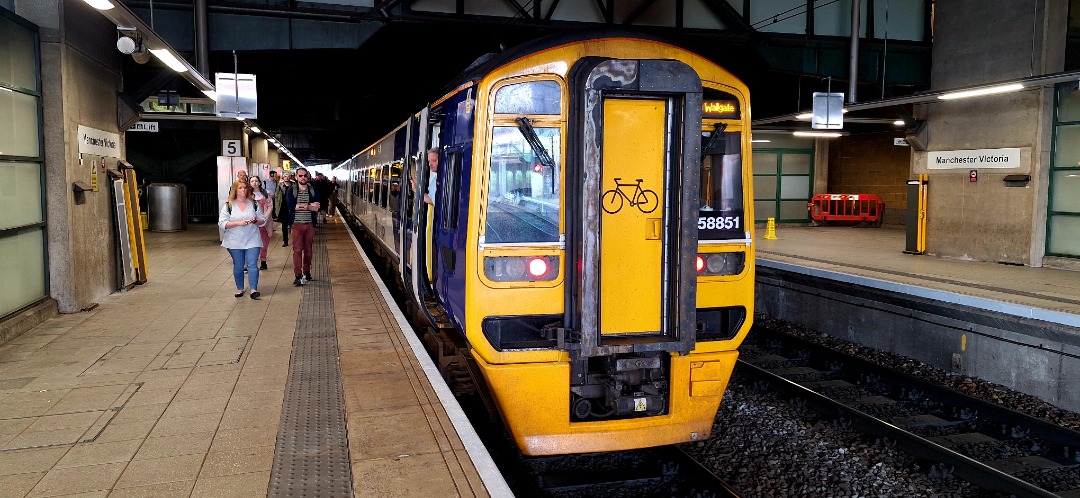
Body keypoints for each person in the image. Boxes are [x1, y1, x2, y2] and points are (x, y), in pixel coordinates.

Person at [218, 179, 267, 299]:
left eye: (245, 188)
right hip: (234, 241)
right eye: (240, 188)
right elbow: (222, 223)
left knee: (252, 264)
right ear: (235, 190)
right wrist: (238, 223)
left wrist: (256, 220)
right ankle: (240, 288)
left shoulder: (253, 204)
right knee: (239, 265)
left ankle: (253, 289)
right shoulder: (228, 205)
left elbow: (262, 219)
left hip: (252, 239)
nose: (243, 190)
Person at [282, 167, 321, 286]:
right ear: (296, 177)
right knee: (297, 250)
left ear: (308, 177)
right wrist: (309, 206)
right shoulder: (291, 190)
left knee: (308, 250)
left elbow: (317, 207)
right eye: (300, 176)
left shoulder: (313, 189)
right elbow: (292, 206)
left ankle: (307, 271)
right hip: (296, 225)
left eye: (305, 175)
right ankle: (298, 275)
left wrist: (304, 206)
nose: (303, 178)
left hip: (309, 224)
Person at [250, 176, 274, 270]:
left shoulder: (266, 193)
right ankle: (252, 261)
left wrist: (264, 219)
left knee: (264, 243)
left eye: (256, 181)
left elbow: (270, 207)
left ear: (259, 182)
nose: (254, 183)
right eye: (252, 181)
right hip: (252, 223)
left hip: (265, 222)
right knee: (252, 243)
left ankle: (263, 260)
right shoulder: (248, 194)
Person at [275, 172, 294, 247]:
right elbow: (277, 196)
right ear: (283, 177)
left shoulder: (294, 185)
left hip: (292, 207)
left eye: (288, 176)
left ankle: (295, 239)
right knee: (284, 225)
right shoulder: (280, 185)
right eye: (285, 176)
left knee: (293, 224)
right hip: (283, 207)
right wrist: (277, 207)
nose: (287, 177)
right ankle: (285, 240)